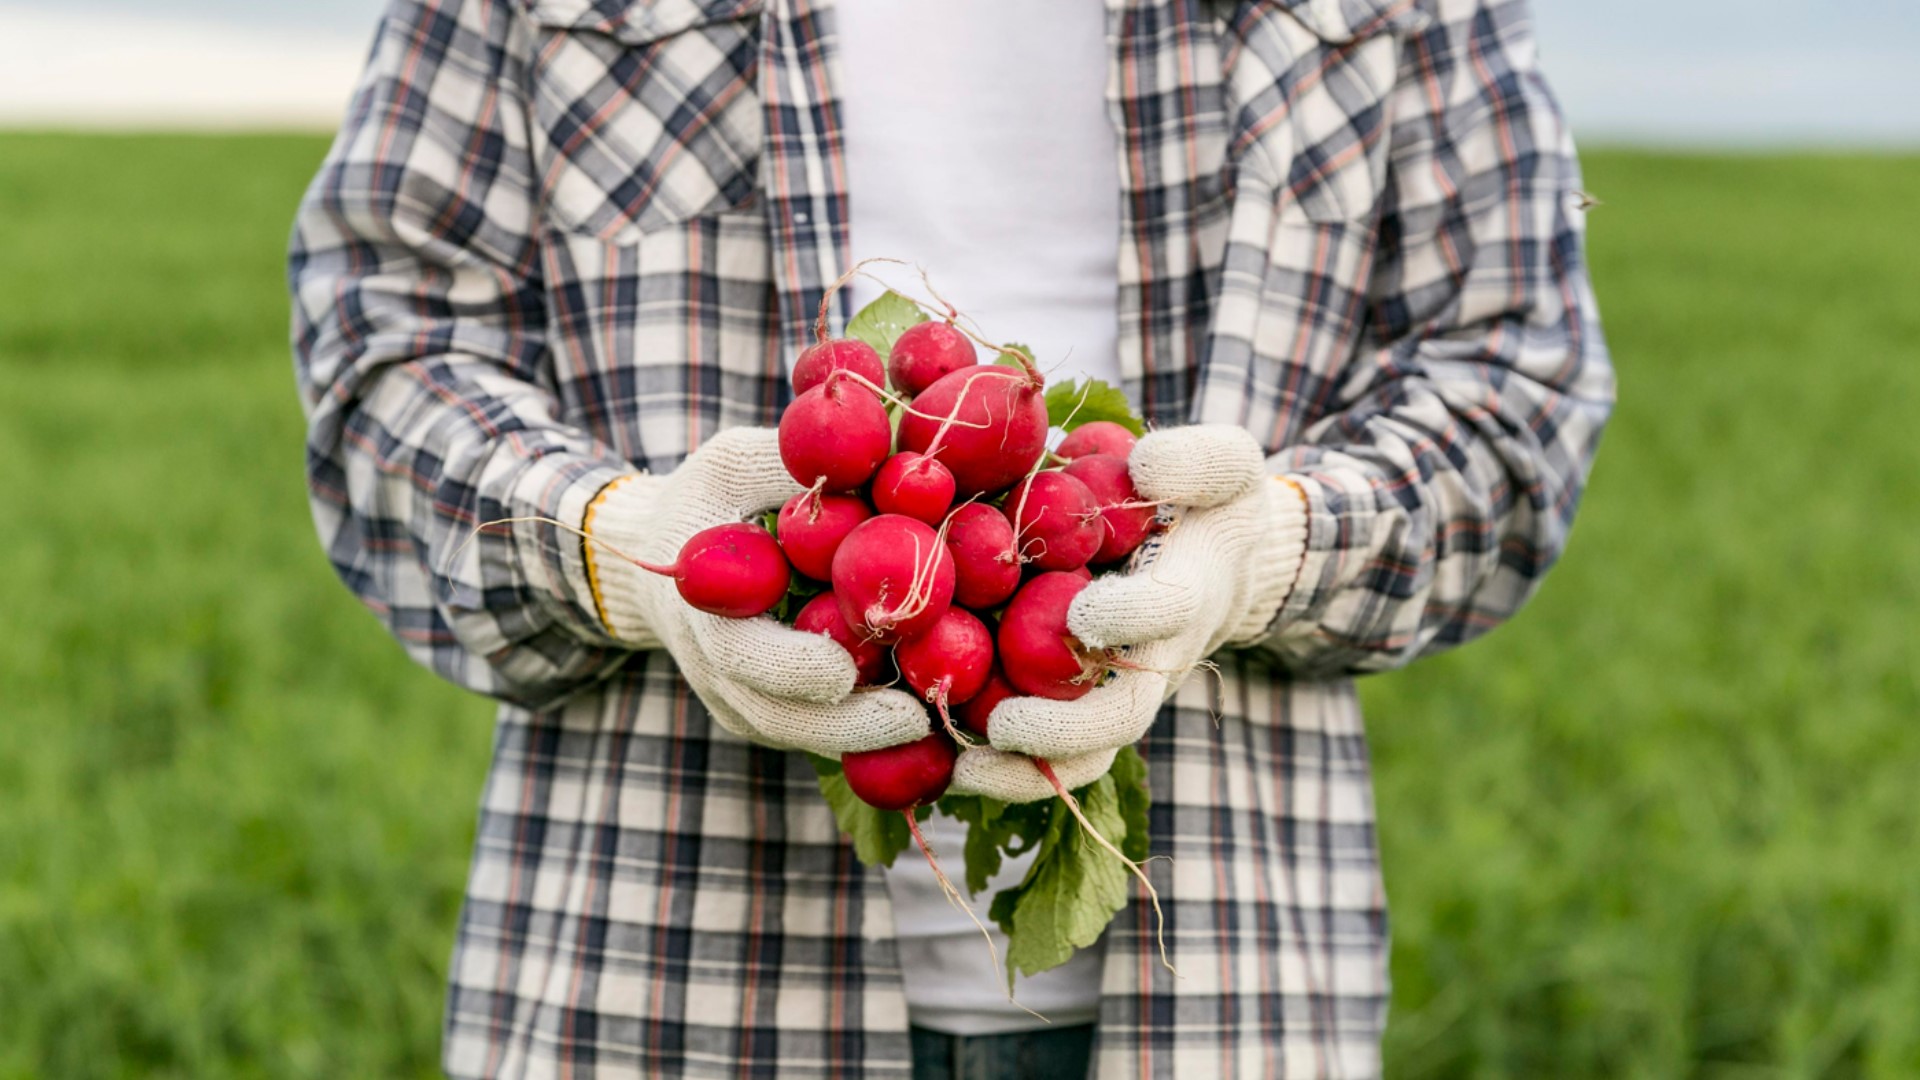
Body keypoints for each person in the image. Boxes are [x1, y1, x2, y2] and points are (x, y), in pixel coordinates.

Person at [289, 0, 1611, 1074]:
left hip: (1238, 1003)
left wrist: (1266, 554)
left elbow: (1516, 378)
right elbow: (385, 351)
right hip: (660, 992)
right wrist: (619, 552)